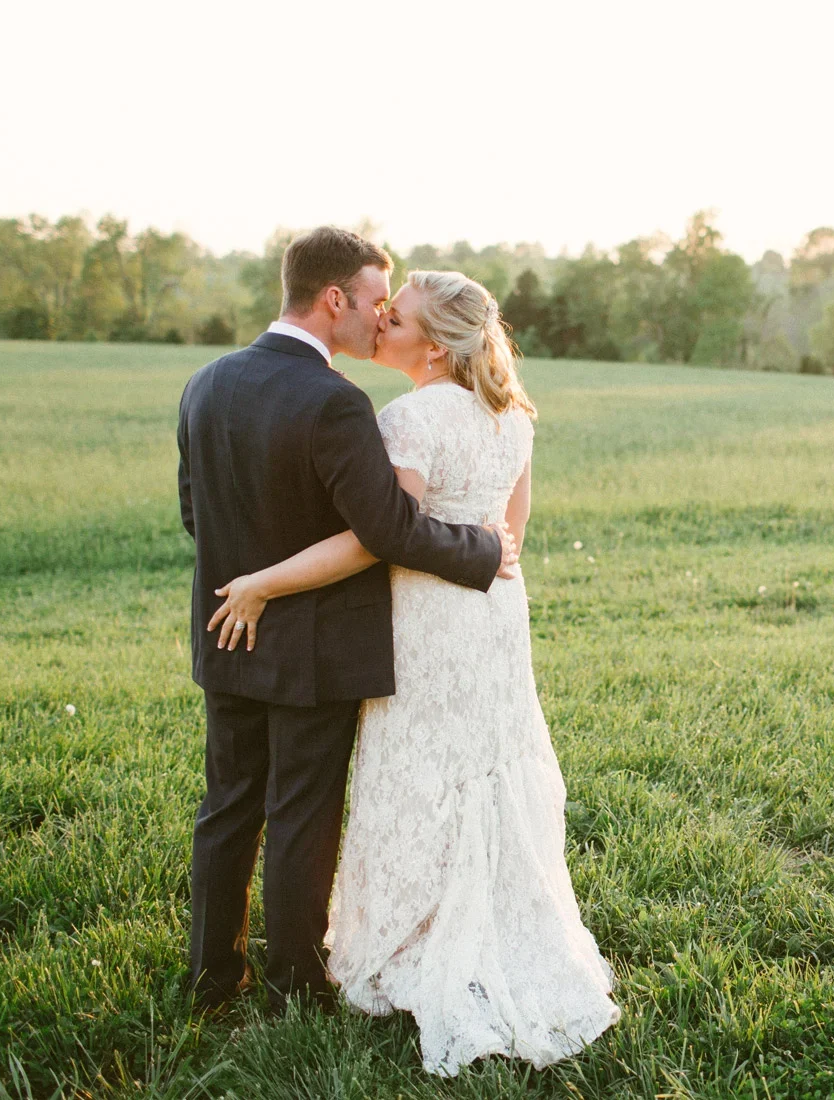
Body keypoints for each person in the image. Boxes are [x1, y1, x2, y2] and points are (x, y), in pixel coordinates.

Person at [208, 270, 619, 1075]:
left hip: (430, 626)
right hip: (496, 618)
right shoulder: (512, 418)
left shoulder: (409, 418)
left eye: (395, 318)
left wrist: (264, 580)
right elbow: (511, 535)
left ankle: (420, 942)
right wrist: (483, 561)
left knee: (422, 773)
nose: (380, 324)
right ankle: (496, 931)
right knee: (487, 770)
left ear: (431, 346)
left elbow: (376, 537)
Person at [176, 228, 518, 1013]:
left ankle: (211, 977)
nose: (378, 318)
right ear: (335, 299)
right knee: (301, 812)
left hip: (227, 630)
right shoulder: (335, 400)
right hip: (314, 650)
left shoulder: (205, 382)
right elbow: (386, 530)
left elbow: (197, 515)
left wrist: (248, 588)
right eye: (373, 302)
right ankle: (295, 982)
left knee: (227, 804)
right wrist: (479, 547)